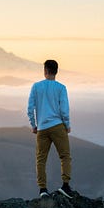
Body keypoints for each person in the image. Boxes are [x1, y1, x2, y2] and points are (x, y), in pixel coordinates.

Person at [27, 60, 73, 198]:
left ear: (45, 70)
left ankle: (42, 189)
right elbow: (64, 110)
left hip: (42, 128)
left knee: (41, 159)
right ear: (56, 71)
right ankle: (65, 186)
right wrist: (67, 124)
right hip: (58, 126)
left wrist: (34, 125)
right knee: (64, 156)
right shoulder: (61, 88)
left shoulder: (36, 86)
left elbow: (30, 109)